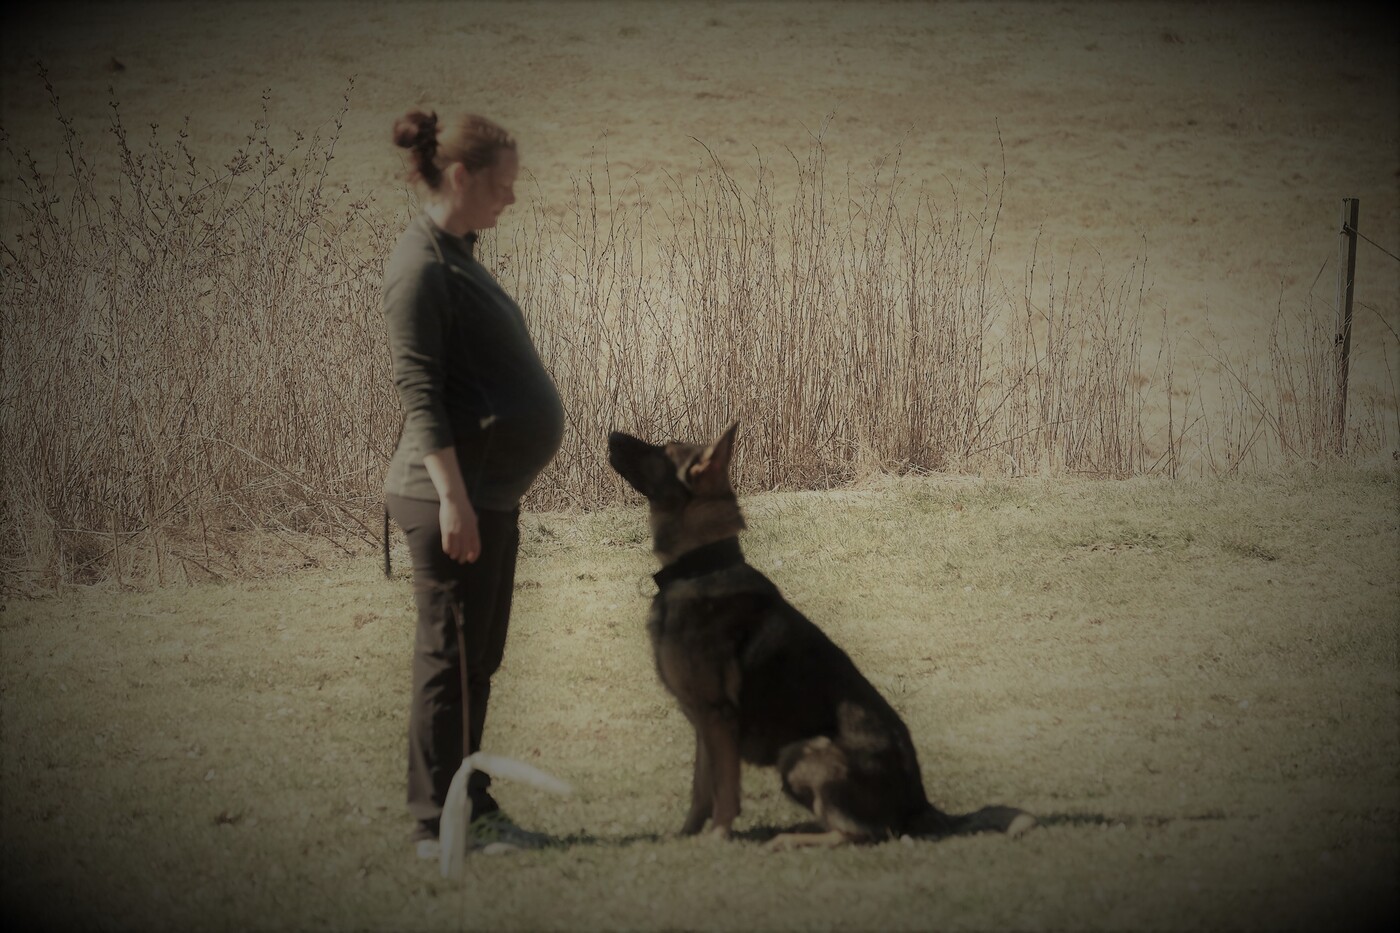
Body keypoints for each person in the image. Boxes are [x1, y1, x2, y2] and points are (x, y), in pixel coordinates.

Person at [381, 109, 565, 859]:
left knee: (476, 661)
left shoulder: (456, 253)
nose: (512, 197)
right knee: (449, 661)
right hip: (448, 498)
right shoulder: (419, 268)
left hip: (487, 493)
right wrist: (455, 500)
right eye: (503, 184)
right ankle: (435, 826)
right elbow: (419, 394)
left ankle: (471, 807)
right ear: (461, 177)